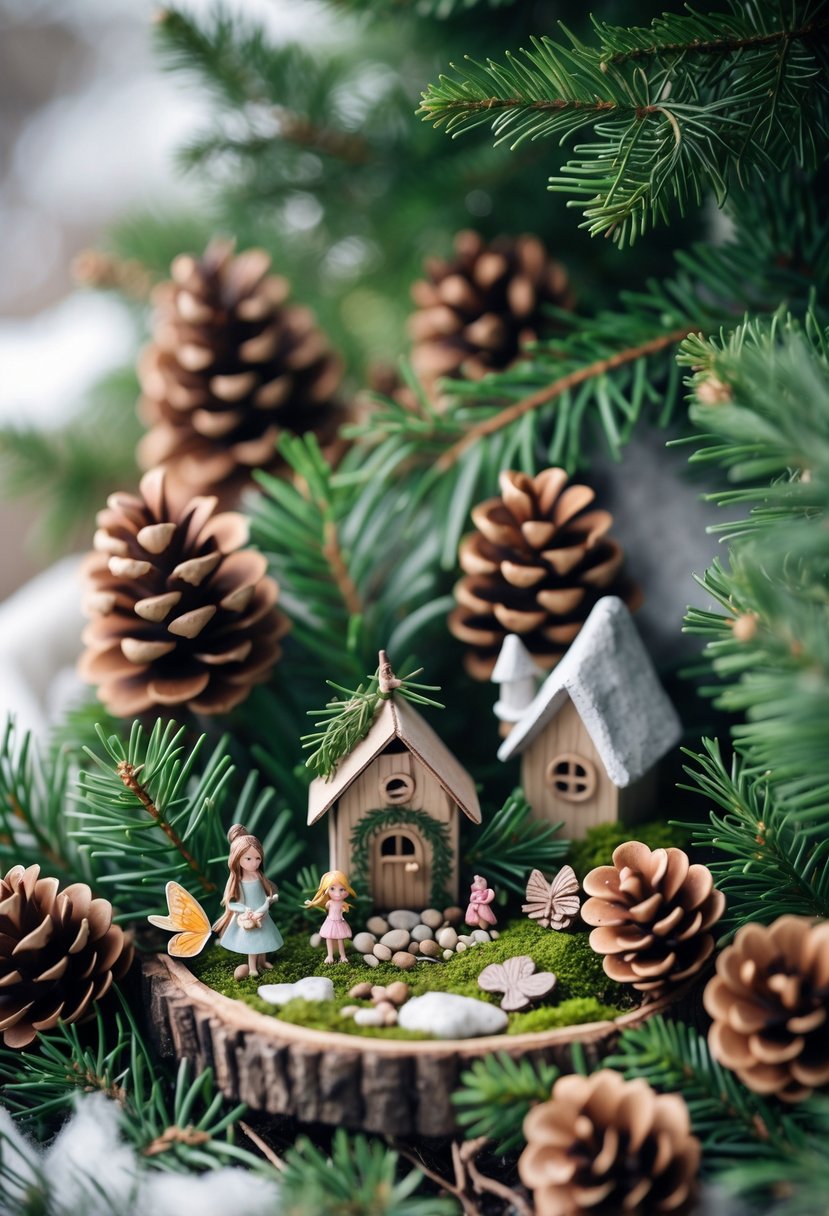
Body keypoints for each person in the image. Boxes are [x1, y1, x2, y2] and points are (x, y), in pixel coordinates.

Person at [213, 823, 283, 980]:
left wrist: (270, 900)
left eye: (258, 858)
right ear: (237, 859)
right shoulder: (238, 881)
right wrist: (244, 909)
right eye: (249, 858)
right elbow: (230, 902)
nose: (255, 863)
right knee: (253, 943)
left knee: (264, 939)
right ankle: (252, 968)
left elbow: (266, 890)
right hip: (249, 916)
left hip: (262, 914)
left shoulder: (258, 875)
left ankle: (263, 962)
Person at [304, 870, 355, 963]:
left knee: (340, 939)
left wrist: (345, 909)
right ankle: (330, 956)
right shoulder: (329, 902)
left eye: (341, 889)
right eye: (332, 889)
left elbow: (345, 910)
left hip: (339, 922)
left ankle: (343, 956)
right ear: (327, 889)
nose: (337, 893)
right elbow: (324, 906)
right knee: (329, 938)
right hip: (330, 922)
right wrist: (312, 903)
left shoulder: (343, 903)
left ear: (346, 890)